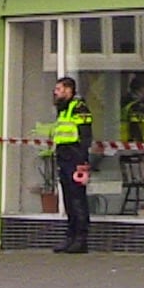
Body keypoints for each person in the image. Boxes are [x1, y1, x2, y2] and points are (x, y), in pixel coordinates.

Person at [52, 76, 94, 253]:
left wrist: (82, 162)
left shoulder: (78, 108)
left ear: (69, 90)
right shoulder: (63, 110)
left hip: (75, 159)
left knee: (78, 200)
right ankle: (70, 236)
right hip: (64, 158)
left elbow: (85, 136)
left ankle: (81, 239)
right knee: (68, 199)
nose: (55, 92)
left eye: (59, 89)